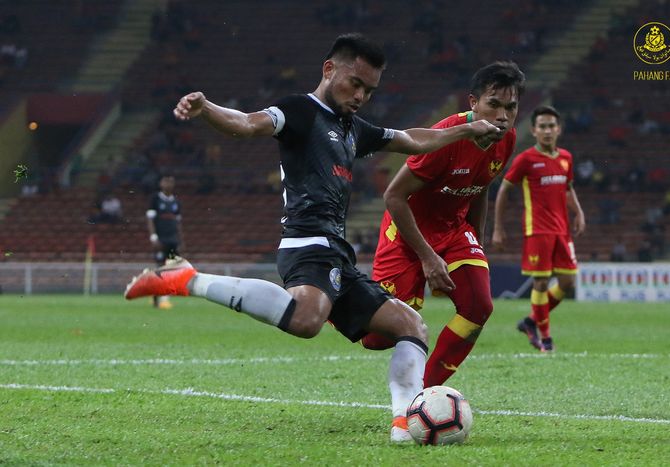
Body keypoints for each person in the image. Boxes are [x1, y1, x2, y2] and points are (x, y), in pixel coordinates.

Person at [123, 33, 502, 442]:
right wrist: (206, 108)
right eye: (354, 84)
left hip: (337, 255)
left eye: (369, 90)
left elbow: (412, 139)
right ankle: (187, 279)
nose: (360, 96)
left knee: (411, 325)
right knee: (307, 319)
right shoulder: (300, 111)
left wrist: (466, 130)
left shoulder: (352, 128)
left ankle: (403, 424)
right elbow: (247, 124)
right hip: (306, 243)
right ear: (329, 70)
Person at [361, 61, 525, 387]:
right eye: (494, 105)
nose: (503, 116)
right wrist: (427, 257)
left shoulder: (507, 139)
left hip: (453, 230)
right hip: (408, 236)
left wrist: (474, 242)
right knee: (378, 338)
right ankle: (338, 302)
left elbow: (481, 185)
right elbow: (394, 196)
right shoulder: (444, 139)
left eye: (511, 107)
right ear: (473, 102)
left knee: (478, 305)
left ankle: (426, 393)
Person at [492, 105, 585, 352]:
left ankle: (531, 321)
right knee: (541, 283)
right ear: (533, 130)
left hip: (562, 230)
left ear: (559, 129)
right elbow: (504, 189)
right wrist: (498, 228)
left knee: (568, 282)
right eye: (542, 126)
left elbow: (568, 188)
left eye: (551, 126)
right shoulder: (526, 159)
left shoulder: (566, 158)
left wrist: (578, 211)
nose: (547, 130)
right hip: (538, 230)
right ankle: (545, 338)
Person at [146, 173, 185, 309]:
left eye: (171, 181)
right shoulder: (155, 199)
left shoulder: (176, 201)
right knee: (160, 268)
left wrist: (180, 240)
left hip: (172, 239)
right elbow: (150, 219)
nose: (168, 184)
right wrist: (153, 236)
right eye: (166, 181)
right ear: (161, 183)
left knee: (172, 269)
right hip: (161, 239)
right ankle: (159, 298)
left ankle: (162, 297)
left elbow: (178, 222)